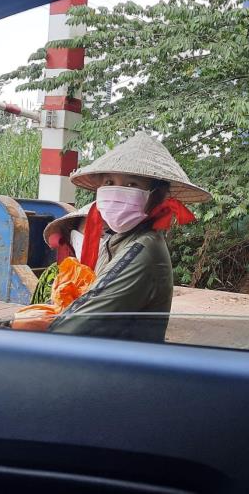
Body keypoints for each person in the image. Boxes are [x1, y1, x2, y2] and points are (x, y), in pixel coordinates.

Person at [48, 132, 211, 342]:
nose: (117, 192)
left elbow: (79, 322)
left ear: (156, 196)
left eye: (132, 184)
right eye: (109, 181)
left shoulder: (143, 248)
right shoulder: (120, 239)